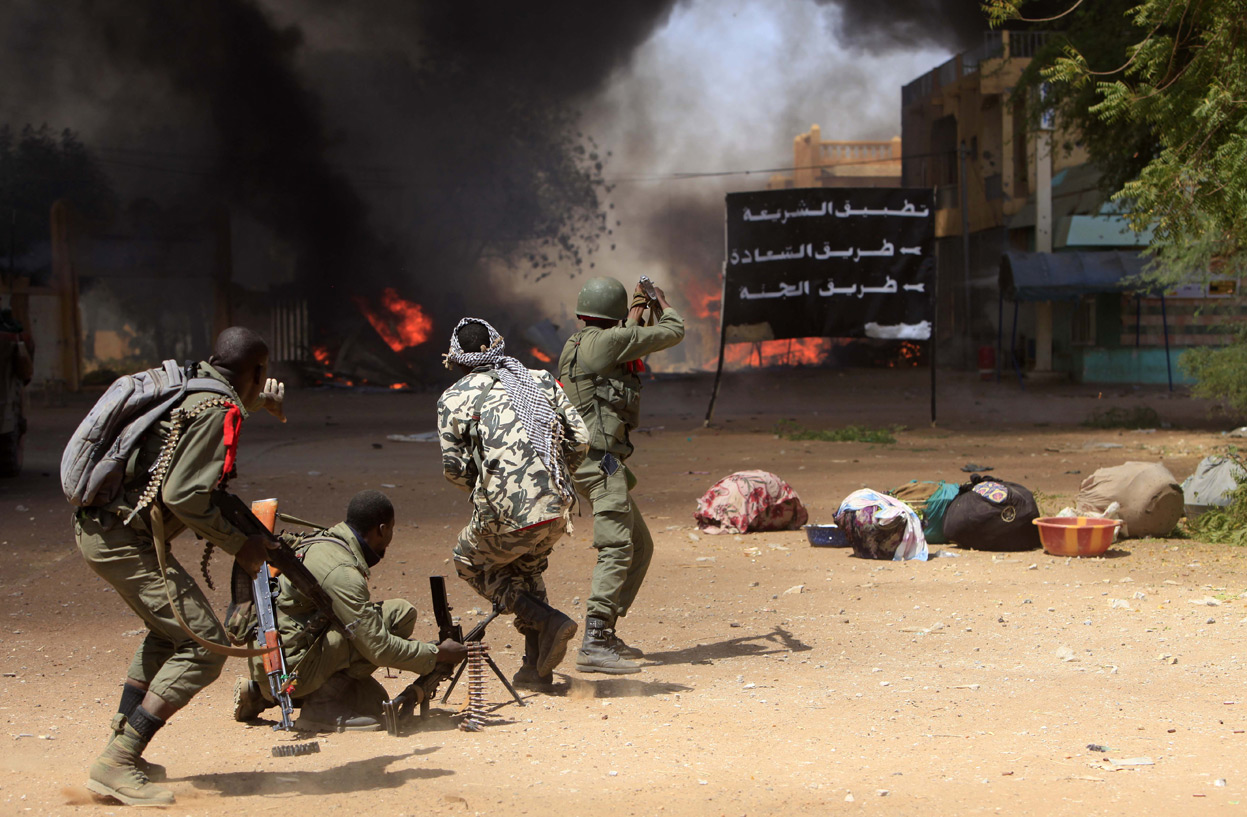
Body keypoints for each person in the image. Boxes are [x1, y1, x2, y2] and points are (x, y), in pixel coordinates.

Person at [75, 327, 285, 807]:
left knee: (169, 635)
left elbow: (185, 434)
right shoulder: (219, 407)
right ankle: (119, 761)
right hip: (122, 542)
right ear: (255, 371)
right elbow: (185, 495)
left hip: (105, 532)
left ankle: (119, 748)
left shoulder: (195, 384)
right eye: (263, 374)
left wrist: (254, 404)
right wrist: (241, 545)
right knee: (203, 648)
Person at [437, 317, 590, 688]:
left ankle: (546, 619)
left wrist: (493, 490)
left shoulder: (453, 397)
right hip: (558, 509)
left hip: (504, 515)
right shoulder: (537, 380)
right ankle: (535, 669)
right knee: (526, 567)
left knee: (467, 560)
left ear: (457, 361)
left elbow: (455, 471)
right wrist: (550, 478)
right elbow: (582, 439)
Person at [232, 490, 468, 731]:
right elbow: (379, 647)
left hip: (272, 661)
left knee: (374, 701)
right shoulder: (341, 571)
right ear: (382, 529)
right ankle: (322, 708)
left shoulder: (324, 541)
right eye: (392, 530)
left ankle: (260, 693)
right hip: (289, 668)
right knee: (391, 622)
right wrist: (437, 653)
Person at [558, 277, 684, 674]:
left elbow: (625, 335)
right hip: (601, 463)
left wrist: (635, 309)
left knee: (639, 545)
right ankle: (593, 640)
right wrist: (661, 303)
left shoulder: (581, 343)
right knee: (616, 547)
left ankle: (606, 631)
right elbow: (673, 332)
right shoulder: (609, 344)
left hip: (588, 462)